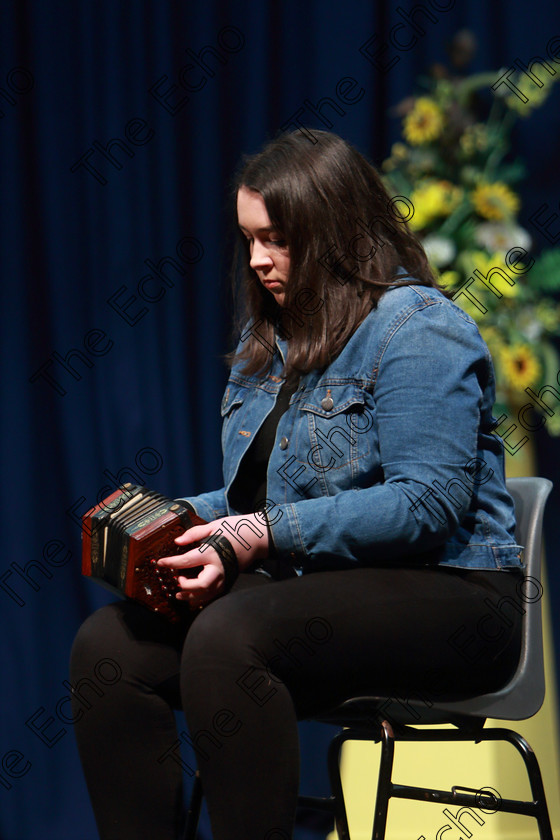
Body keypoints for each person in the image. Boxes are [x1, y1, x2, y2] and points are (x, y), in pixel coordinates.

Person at [70, 130, 524, 840]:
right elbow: (260, 498)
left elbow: (428, 503)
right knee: (109, 646)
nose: (258, 259)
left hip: (456, 595)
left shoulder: (419, 328)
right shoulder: (270, 339)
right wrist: (184, 521)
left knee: (229, 634)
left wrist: (259, 533)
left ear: (336, 231)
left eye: (277, 239)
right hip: (323, 588)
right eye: (250, 238)